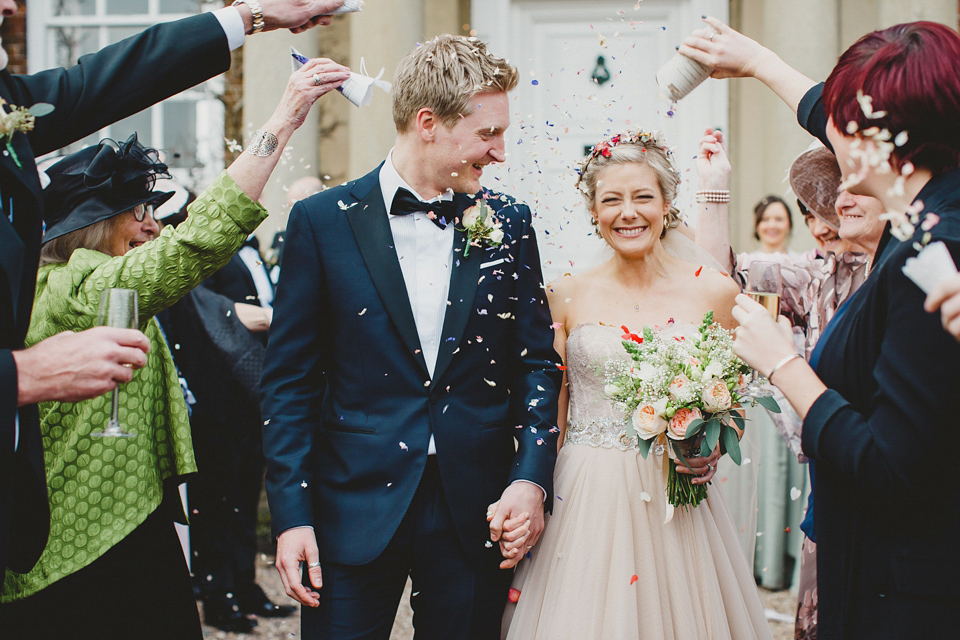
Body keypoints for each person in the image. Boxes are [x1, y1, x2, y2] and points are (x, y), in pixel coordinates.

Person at [0, 58, 349, 639]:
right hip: (76, 550)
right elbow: (191, 248)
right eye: (140, 212)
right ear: (94, 223)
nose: (154, 226)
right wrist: (282, 122)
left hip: (133, 520)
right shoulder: (71, 286)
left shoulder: (94, 280)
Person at [260, 34, 562, 639]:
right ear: (428, 122)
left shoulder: (509, 222)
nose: (501, 152)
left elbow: (536, 363)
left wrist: (530, 479)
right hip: (351, 508)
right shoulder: (320, 223)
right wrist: (291, 516)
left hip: (476, 508)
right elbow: (289, 383)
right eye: (488, 134)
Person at [687, 17, 960, 639]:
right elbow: (821, 110)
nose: (825, 131)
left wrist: (784, 365)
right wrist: (754, 59)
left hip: (904, 595)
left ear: (883, 137)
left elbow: (891, 466)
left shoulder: (937, 253)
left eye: (841, 121)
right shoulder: (925, 214)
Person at [502, 129, 770, 640]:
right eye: (612, 200)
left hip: (678, 501)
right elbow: (550, 413)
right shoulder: (564, 294)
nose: (629, 212)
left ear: (667, 203)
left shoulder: (713, 291)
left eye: (643, 196)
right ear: (594, 212)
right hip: (585, 495)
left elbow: (734, 393)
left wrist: (709, 444)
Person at [189, 232, 287, 630]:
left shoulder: (253, 251)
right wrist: (244, 313)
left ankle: (246, 587)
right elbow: (196, 306)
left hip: (254, 393)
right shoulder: (205, 255)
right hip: (220, 394)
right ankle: (219, 597)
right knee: (217, 502)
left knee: (246, 496)